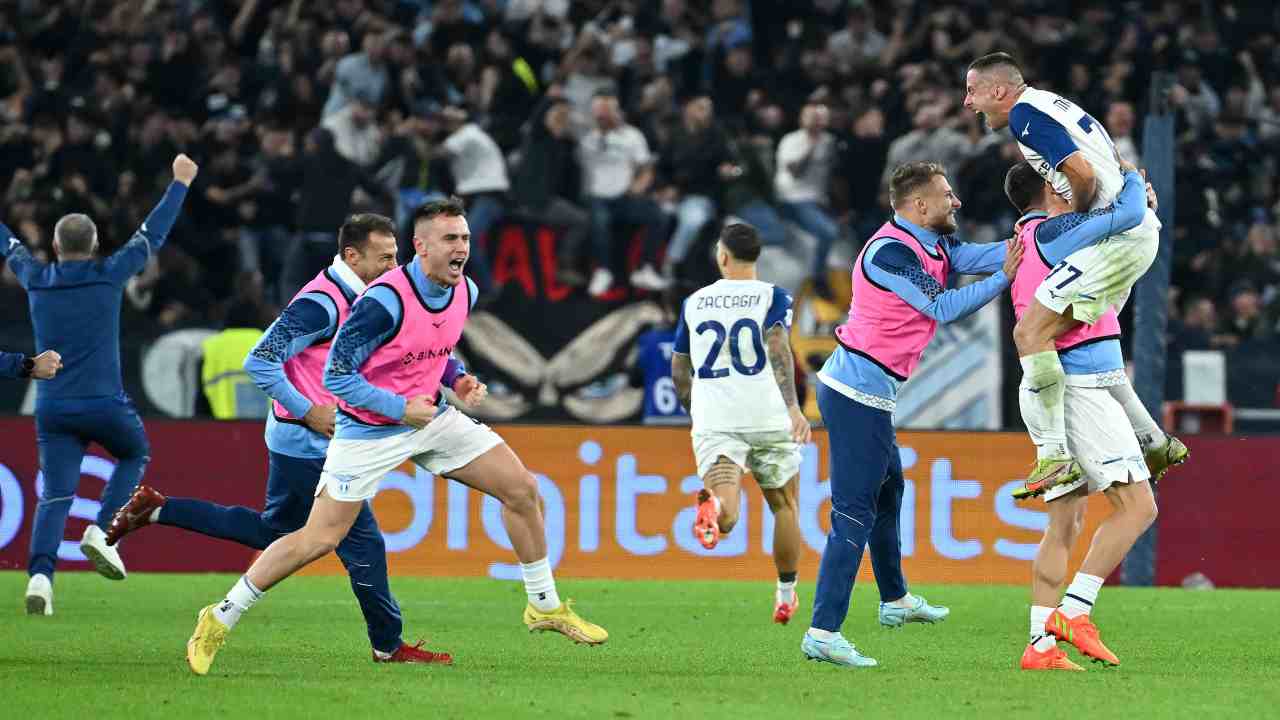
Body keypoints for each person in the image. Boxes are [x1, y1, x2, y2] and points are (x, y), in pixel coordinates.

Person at [183, 198, 607, 676]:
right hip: (369, 431)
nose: (462, 247)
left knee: (522, 490)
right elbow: (339, 378)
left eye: (465, 238)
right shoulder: (382, 302)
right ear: (420, 247)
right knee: (317, 538)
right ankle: (221, 615)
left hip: (430, 418)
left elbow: (432, 348)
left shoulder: (464, 290)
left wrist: (459, 378)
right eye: (450, 239)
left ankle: (544, 605)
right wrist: (400, 408)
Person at [106, 214, 441, 664]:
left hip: (305, 439)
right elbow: (259, 360)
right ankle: (388, 644)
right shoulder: (321, 304)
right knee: (362, 541)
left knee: (274, 532)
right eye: (384, 258)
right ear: (351, 256)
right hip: (308, 440)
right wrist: (310, 411)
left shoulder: (364, 296)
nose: (393, 266)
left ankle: (159, 509)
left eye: (396, 256)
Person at [802, 161, 1021, 668]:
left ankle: (895, 600)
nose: (956, 202)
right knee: (852, 512)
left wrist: (1032, 237)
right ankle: (822, 630)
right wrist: (1006, 278)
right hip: (855, 394)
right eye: (947, 195)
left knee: (888, 492)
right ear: (919, 206)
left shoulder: (934, 242)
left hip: (868, 391)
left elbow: (980, 254)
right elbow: (942, 307)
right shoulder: (890, 253)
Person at [1002, 161, 1183, 671]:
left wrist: (1136, 204)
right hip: (1080, 385)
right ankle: (1075, 612)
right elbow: (1120, 224)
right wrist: (1130, 183)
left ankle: (1038, 645)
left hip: (1054, 386)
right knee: (1138, 508)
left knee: (1065, 523)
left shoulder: (1030, 237)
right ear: (1048, 187)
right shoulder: (1057, 232)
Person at [1, 154, 197, 616]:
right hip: (104, 403)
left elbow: (7, 243)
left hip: (53, 406)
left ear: (53, 243)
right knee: (135, 452)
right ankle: (101, 530)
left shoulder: (35, 277)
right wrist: (180, 184)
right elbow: (153, 235)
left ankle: (40, 580)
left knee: (54, 496)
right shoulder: (109, 274)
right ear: (93, 246)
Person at [964, 52, 1163, 498]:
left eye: (972, 91)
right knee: (1087, 337)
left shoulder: (1024, 115)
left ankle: (1054, 456)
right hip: (1133, 232)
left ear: (999, 90)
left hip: (1120, 237)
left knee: (1029, 334)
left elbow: (1081, 172)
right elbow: (1112, 166)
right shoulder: (1058, 106)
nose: (966, 102)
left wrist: (1077, 214)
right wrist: (1132, 192)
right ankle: (1152, 441)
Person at [670, 223, 810, 624]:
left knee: (727, 511)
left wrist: (698, 412)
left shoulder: (695, 302)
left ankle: (714, 507)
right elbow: (780, 346)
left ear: (723, 256)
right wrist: (795, 409)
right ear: (756, 257)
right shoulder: (774, 296)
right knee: (784, 505)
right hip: (766, 413)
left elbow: (680, 368)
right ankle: (785, 596)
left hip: (717, 418)